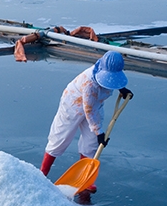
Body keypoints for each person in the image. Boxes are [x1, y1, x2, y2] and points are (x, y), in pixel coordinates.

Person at [40, 51, 133, 190]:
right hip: (73, 104)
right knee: (61, 137)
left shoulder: (110, 76)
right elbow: (88, 110)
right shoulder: (90, 83)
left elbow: (93, 108)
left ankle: (84, 178)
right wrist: (99, 132)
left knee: (91, 142)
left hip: (95, 105)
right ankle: (42, 173)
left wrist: (121, 88)